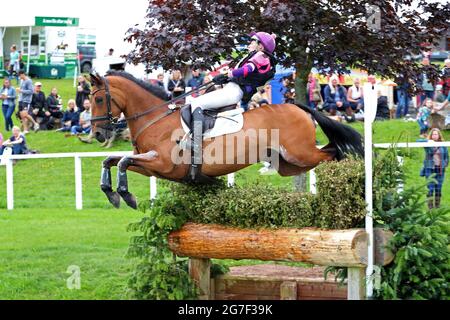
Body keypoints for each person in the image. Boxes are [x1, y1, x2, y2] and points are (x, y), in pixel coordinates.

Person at [190, 31, 277, 117]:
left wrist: (227, 75)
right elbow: (242, 76)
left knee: (196, 103)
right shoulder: (256, 56)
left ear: (261, 46)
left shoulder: (261, 56)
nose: (249, 44)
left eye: (252, 42)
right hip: (232, 90)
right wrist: (226, 79)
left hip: (234, 92)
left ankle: (197, 131)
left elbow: (247, 70)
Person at [420, 128, 448, 209]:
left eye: (436, 134)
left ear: (439, 135)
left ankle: (437, 205)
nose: (434, 136)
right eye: (433, 134)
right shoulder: (427, 144)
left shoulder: (443, 144)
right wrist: (428, 141)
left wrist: (445, 164)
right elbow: (419, 141)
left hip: (440, 169)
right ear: (431, 135)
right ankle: (430, 206)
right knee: (430, 188)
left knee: (438, 187)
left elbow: (446, 156)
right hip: (430, 168)